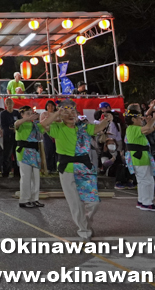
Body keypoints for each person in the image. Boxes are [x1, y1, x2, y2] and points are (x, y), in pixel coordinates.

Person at [40, 99, 112, 240]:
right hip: (67, 168)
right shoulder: (57, 127)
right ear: (60, 114)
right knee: (76, 203)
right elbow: (43, 125)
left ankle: (86, 222)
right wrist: (57, 114)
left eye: (73, 110)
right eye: (66, 111)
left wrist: (107, 120)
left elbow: (98, 128)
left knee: (93, 202)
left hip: (85, 167)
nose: (71, 114)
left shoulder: (83, 128)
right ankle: (84, 229)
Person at [123, 106, 155, 211]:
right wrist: (154, 118)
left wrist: (154, 126)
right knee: (146, 180)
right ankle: (146, 202)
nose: (142, 120)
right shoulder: (132, 128)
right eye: (140, 118)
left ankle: (142, 201)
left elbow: (147, 130)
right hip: (139, 156)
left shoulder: (132, 129)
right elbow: (146, 129)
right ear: (133, 119)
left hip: (139, 156)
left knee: (143, 180)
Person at [14, 106, 43, 208]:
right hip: (24, 151)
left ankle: (34, 199)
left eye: (31, 113)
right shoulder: (19, 123)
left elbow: (44, 128)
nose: (30, 115)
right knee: (25, 176)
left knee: (36, 177)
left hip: (34, 151)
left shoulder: (35, 124)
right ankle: (24, 199)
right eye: (27, 113)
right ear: (22, 115)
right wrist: (28, 118)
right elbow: (16, 124)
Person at [0, 98, 21, 178]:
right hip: (7, 136)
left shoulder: (16, 113)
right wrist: (10, 128)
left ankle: (17, 172)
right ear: (5, 104)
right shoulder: (3, 113)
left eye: (10, 102)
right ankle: (5, 172)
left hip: (16, 136)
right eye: (7, 103)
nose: (9, 104)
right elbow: (3, 125)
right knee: (7, 155)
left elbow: (20, 122)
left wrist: (16, 128)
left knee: (17, 154)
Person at [40, 100, 58, 172]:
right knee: (49, 151)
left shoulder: (57, 113)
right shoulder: (44, 114)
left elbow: (60, 121)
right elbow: (42, 123)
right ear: (46, 107)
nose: (50, 107)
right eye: (49, 105)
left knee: (57, 152)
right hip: (47, 134)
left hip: (57, 135)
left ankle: (56, 168)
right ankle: (49, 168)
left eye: (52, 105)